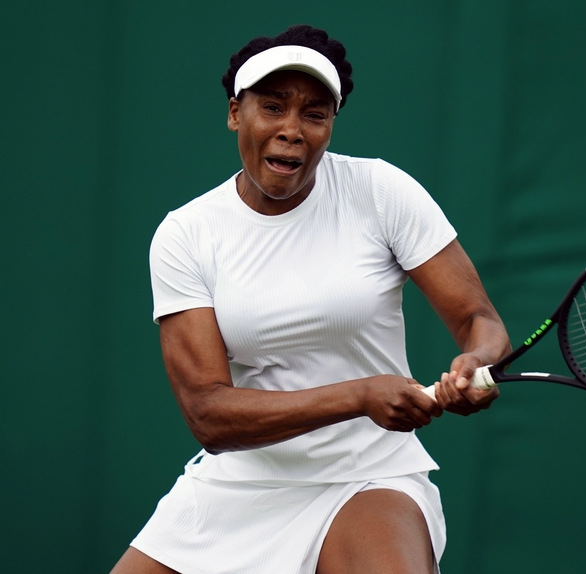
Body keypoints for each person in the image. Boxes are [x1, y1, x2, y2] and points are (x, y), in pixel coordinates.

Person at [111, 24, 510, 574]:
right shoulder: (187, 234)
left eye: (314, 114)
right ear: (235, 113)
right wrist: (361, 395)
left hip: (369, 474)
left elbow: (478, 320)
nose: (292, 131)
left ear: (330, 126)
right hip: (240, 484)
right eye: (272, 107)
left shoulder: (380, 191)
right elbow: (209, 413)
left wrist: (478, 362)